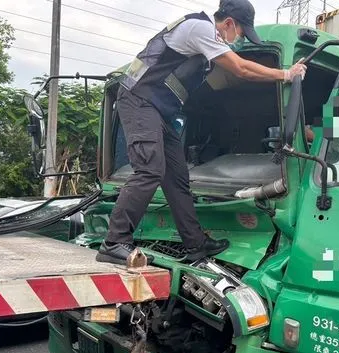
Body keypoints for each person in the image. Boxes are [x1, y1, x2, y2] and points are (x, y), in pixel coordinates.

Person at [96, 0, 307, 265]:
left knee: (177, 177)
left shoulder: (202, 43)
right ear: (229, 23)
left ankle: (196, 244)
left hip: (159, 111)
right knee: (150, 168)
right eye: (241, 33)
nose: (238, 39)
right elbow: (240, 68)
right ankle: (114, 242)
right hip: (139, 101)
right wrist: (286, 74)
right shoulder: (200, 29)